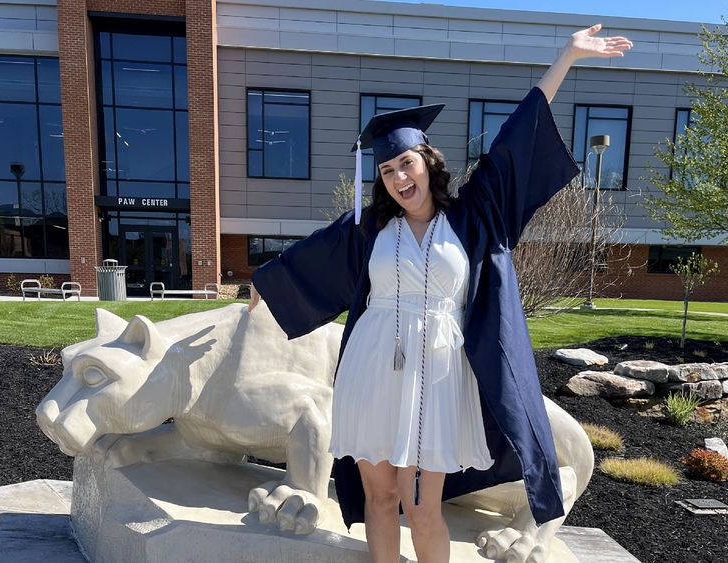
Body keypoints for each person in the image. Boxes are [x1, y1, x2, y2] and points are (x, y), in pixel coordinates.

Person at [249, 24, 632, 563]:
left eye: (405, 163)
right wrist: (265, 284)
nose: (398, 177)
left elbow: (516, 137)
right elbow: (309, 258)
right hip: (371, 370)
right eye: (386, 170)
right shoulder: (367, 229)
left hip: (439, 376)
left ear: (427, 160)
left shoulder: (476, 214)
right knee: (381, 499)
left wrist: (566, 57)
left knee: (421, 505)